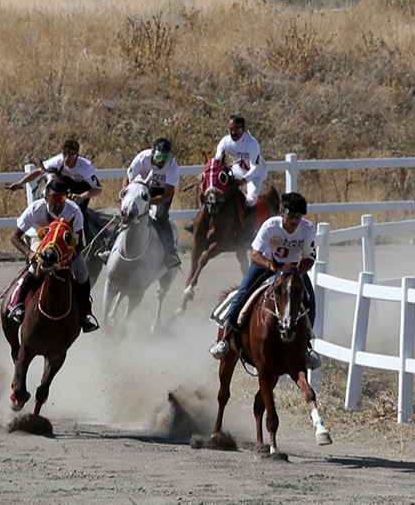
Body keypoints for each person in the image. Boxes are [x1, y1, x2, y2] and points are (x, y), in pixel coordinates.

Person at [208, 192, 321, 370]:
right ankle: (225, 337)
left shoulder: (307, 229)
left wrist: (298, 271)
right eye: (291, 218)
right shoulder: (270, 226)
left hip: (292, 270)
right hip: (266, 265)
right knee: (243, 293)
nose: (293, 223)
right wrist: (271, 266)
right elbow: (255, 255)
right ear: (282, 212)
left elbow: (310, 257)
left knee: (310, 301)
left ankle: (306, 346)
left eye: (298, 219)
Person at [6, 177, 100, 332]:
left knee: (82, 275)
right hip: (40, 239)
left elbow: (80, 242)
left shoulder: (74, 212)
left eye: (62, 198)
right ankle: (18, 304)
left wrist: (68, 257)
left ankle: (85, 313)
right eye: (54, 198)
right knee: (35, 268)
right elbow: (14, 236)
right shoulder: (36, 209)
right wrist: (30, 253)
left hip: (65, 245)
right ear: (46, 198)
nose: (58, 203)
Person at [9, 138, 104, 240]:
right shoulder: (58, 160)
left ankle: (84, 241)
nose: (66, 159)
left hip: (82, 191)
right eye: (64, 154)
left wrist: (81, 196)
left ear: (77, 156)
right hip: (64, 188)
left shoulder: (85, 168)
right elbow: (39, 171)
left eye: (70, 156)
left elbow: (98, 189)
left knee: (80, 215)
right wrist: (20, 183)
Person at [123, 137, 182, 269]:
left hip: (161, 192)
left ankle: (169, 252)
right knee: (126, 214)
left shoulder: (172, 166)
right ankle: (110, 247)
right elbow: (127, 180)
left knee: (161, 216)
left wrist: (149, 202)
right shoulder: (142, 158)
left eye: (165, 158)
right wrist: (128, 196)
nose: (161, 162)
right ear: (152, 153)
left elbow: (167, 195)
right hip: (139, 189)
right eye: (159, 157)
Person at [214, 114, 267, 208]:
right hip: (238, 170)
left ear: (243, 129)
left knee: (251, 201)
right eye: (230, 129)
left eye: (236, 129)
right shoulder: (225, 142)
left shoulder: (251, 143)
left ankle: (250, 221)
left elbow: (255, 167)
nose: (233, 132)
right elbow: (217, 161)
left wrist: (243, 180)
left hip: (256, 173)